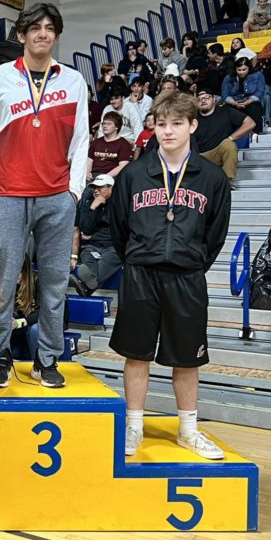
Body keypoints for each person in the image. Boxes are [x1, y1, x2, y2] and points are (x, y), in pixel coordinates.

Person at [0, 2, 89, 389]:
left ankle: (46, 359)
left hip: (57, 196)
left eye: (50, 28)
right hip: (9, 193)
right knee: (2, 284)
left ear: (57, 35)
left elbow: (82, 139)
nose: (42, 34)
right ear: (21, 35)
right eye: (35, 28)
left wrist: (73, 192)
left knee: (54, 284)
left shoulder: (73, 81)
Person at [109, 91, 232, 460]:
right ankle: (134, 426)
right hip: (140, 274)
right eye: (161, 124)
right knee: (136, 355)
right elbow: (118, 228)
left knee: (188, 359)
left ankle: (188, 431)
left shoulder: (212, 178)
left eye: (177, 123)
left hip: (187, 277)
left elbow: (216, 234)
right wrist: (138, 257)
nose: (168, 131)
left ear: (192, 126)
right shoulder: (133, 174)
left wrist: (191, 261)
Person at [69, 174, 121, 297]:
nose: (95, 190)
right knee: (87, 255)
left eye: (100, 187)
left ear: (111, 188)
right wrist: (93, 208)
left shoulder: (120, 202)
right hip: (92, 247)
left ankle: (85, 287)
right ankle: (88, 286)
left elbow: (117, 231)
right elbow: (85, 230)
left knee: (112, 258)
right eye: (93, 188)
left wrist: (93, 236)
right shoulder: (87, 201)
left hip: (113, 247)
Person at [193, 88, 255, 185]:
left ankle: (227, 182)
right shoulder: (192, 118)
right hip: (198, 157)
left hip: (218, 153)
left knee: (228, 144)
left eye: (206, 98)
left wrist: (231, 138)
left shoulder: (225, 111)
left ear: (214, 99)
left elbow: (250, 123)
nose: (203, 100)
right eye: (199, 99)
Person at [221, 57, 266, 132]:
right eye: (239, 70)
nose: (241, 72)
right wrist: (234, 103)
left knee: (254, 108)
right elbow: (225, 94)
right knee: (226, 110)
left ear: (249, 68)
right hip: (234, 102)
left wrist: (249, 101)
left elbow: (260, 91)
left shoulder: (258, 75)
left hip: (251, 102)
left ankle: (256, 133)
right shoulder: (228, 78)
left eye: (244, 70)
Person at [88, 112, 131, 180]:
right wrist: (87, 173)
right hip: (94, 175)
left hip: (112, 176)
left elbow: (123, 165)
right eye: (104, 123)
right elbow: (89, 160)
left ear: (116, 127)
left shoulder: (124, 144)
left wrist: (106, 177)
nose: (105, 126)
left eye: (109, 124)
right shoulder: (95, 142)